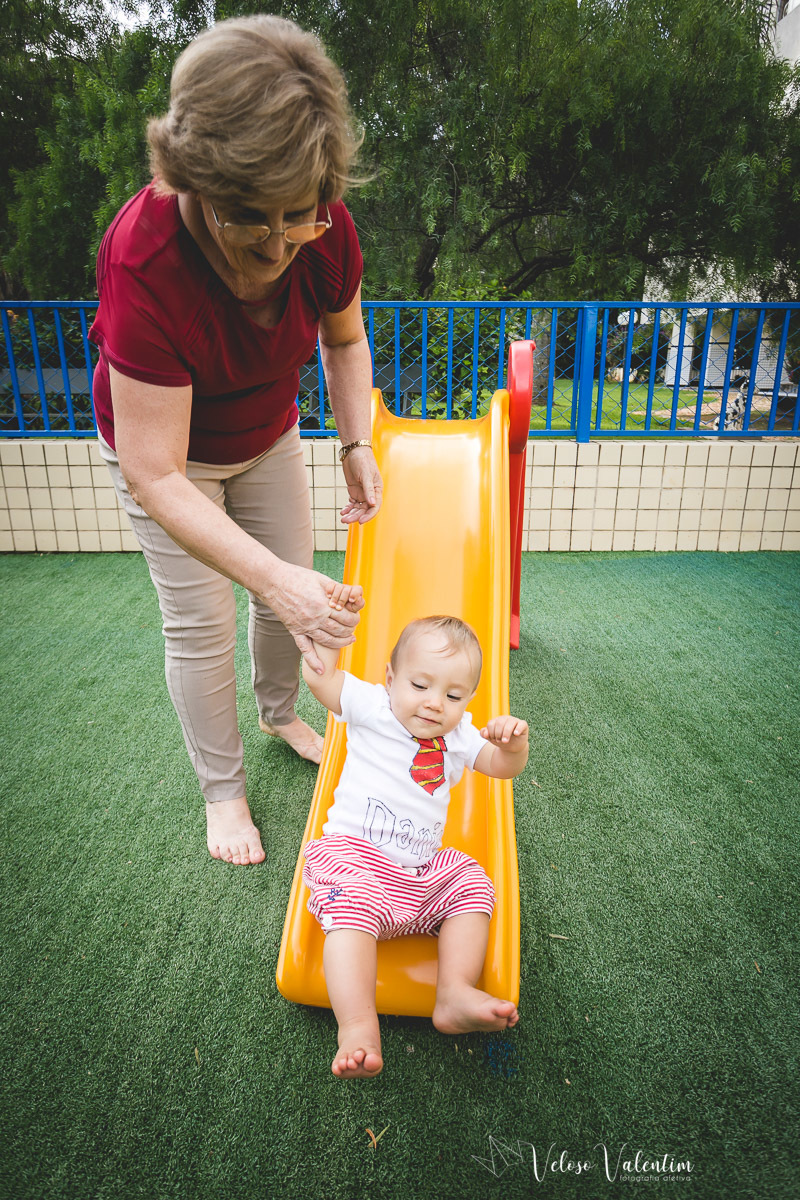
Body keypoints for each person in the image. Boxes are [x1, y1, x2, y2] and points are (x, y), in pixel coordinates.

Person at [88, 15, 383, 867]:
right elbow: (155, 472)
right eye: (257, 220)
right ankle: (223, 792)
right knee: (201, 620)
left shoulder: (325, 225)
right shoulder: (144, 261)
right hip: (168, 462)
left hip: (268, 434)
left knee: (292, 589)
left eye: (304, 218)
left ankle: (280, 711)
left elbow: (345, 338)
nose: (285, 241)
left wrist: (355, 441)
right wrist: (274, 580)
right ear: (198, 180)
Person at [301, 611, 529, 1078]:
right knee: (352, 908)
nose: (433, 704)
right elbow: (321, 681)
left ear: (468, 701)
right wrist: (326, 636)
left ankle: (454, 992)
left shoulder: (461, 735)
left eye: (453, 695)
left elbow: (503, 769)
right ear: (390, 678)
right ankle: (359, 1025)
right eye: (419, 685)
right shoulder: (373, 705)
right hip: (355, 861)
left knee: (470, 879)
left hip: (420, 876)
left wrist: (513, 745)